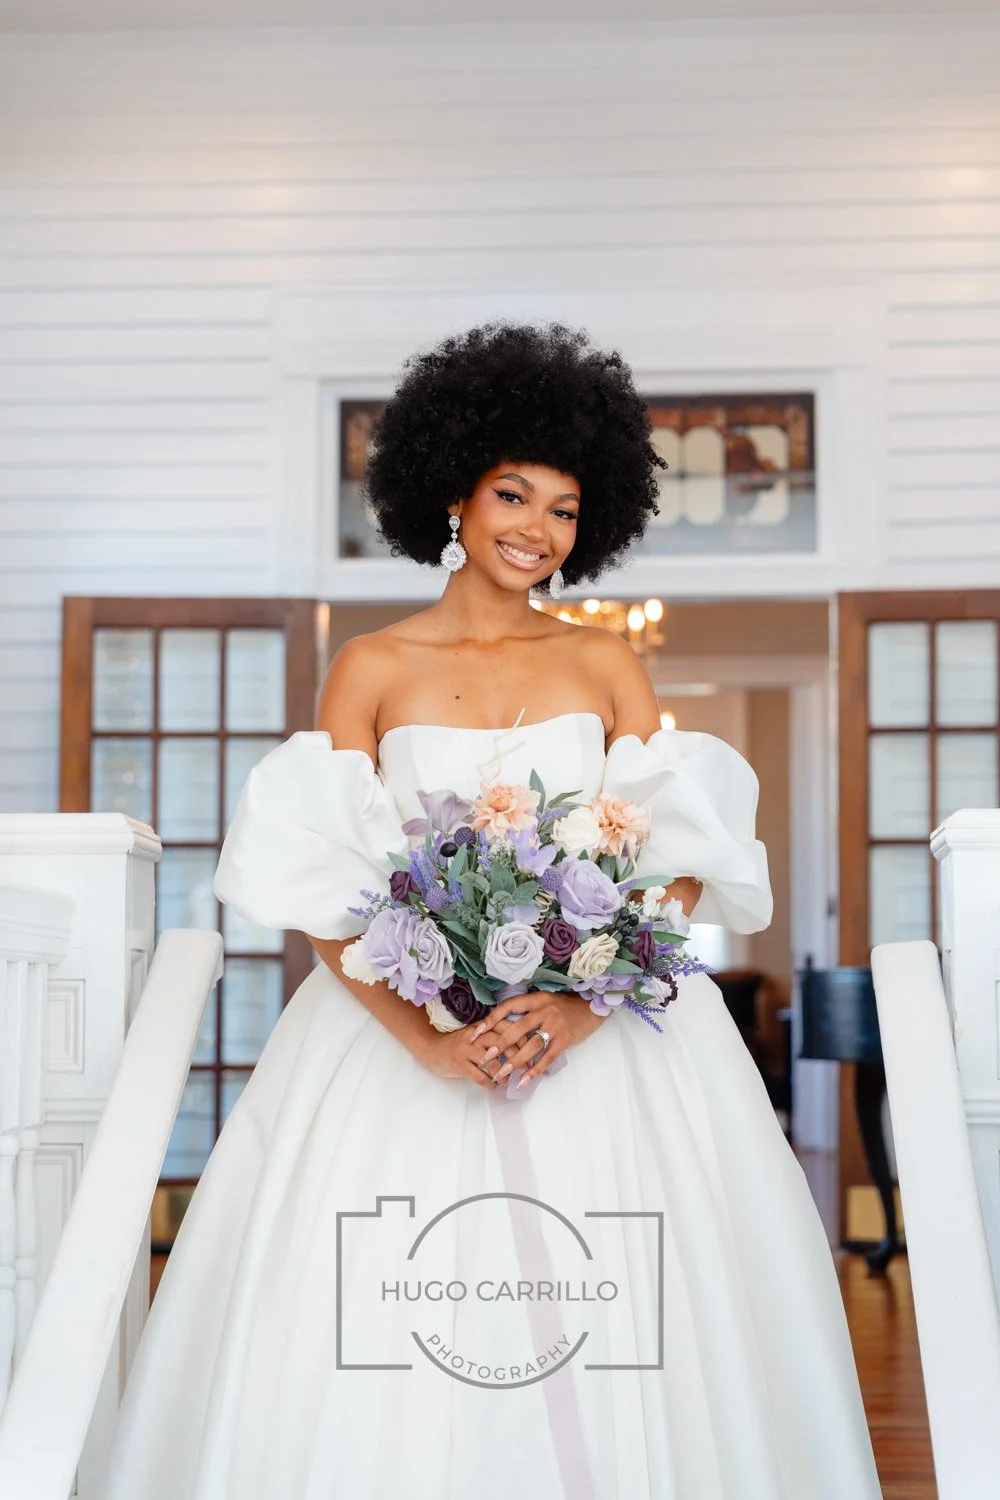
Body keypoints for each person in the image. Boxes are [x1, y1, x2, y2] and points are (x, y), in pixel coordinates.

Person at [103, 322, 882, 1499]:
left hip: (603, 1045)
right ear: (452, 493)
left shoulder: (604, 666)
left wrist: (580, 1007)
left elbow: (672, 869)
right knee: (389, 1301)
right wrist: (425, 1042)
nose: (537, 529)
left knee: (624, 1306)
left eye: (565, 508)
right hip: (405, 1040)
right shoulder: (370, 666)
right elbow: (326, 882)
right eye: (514, 494)